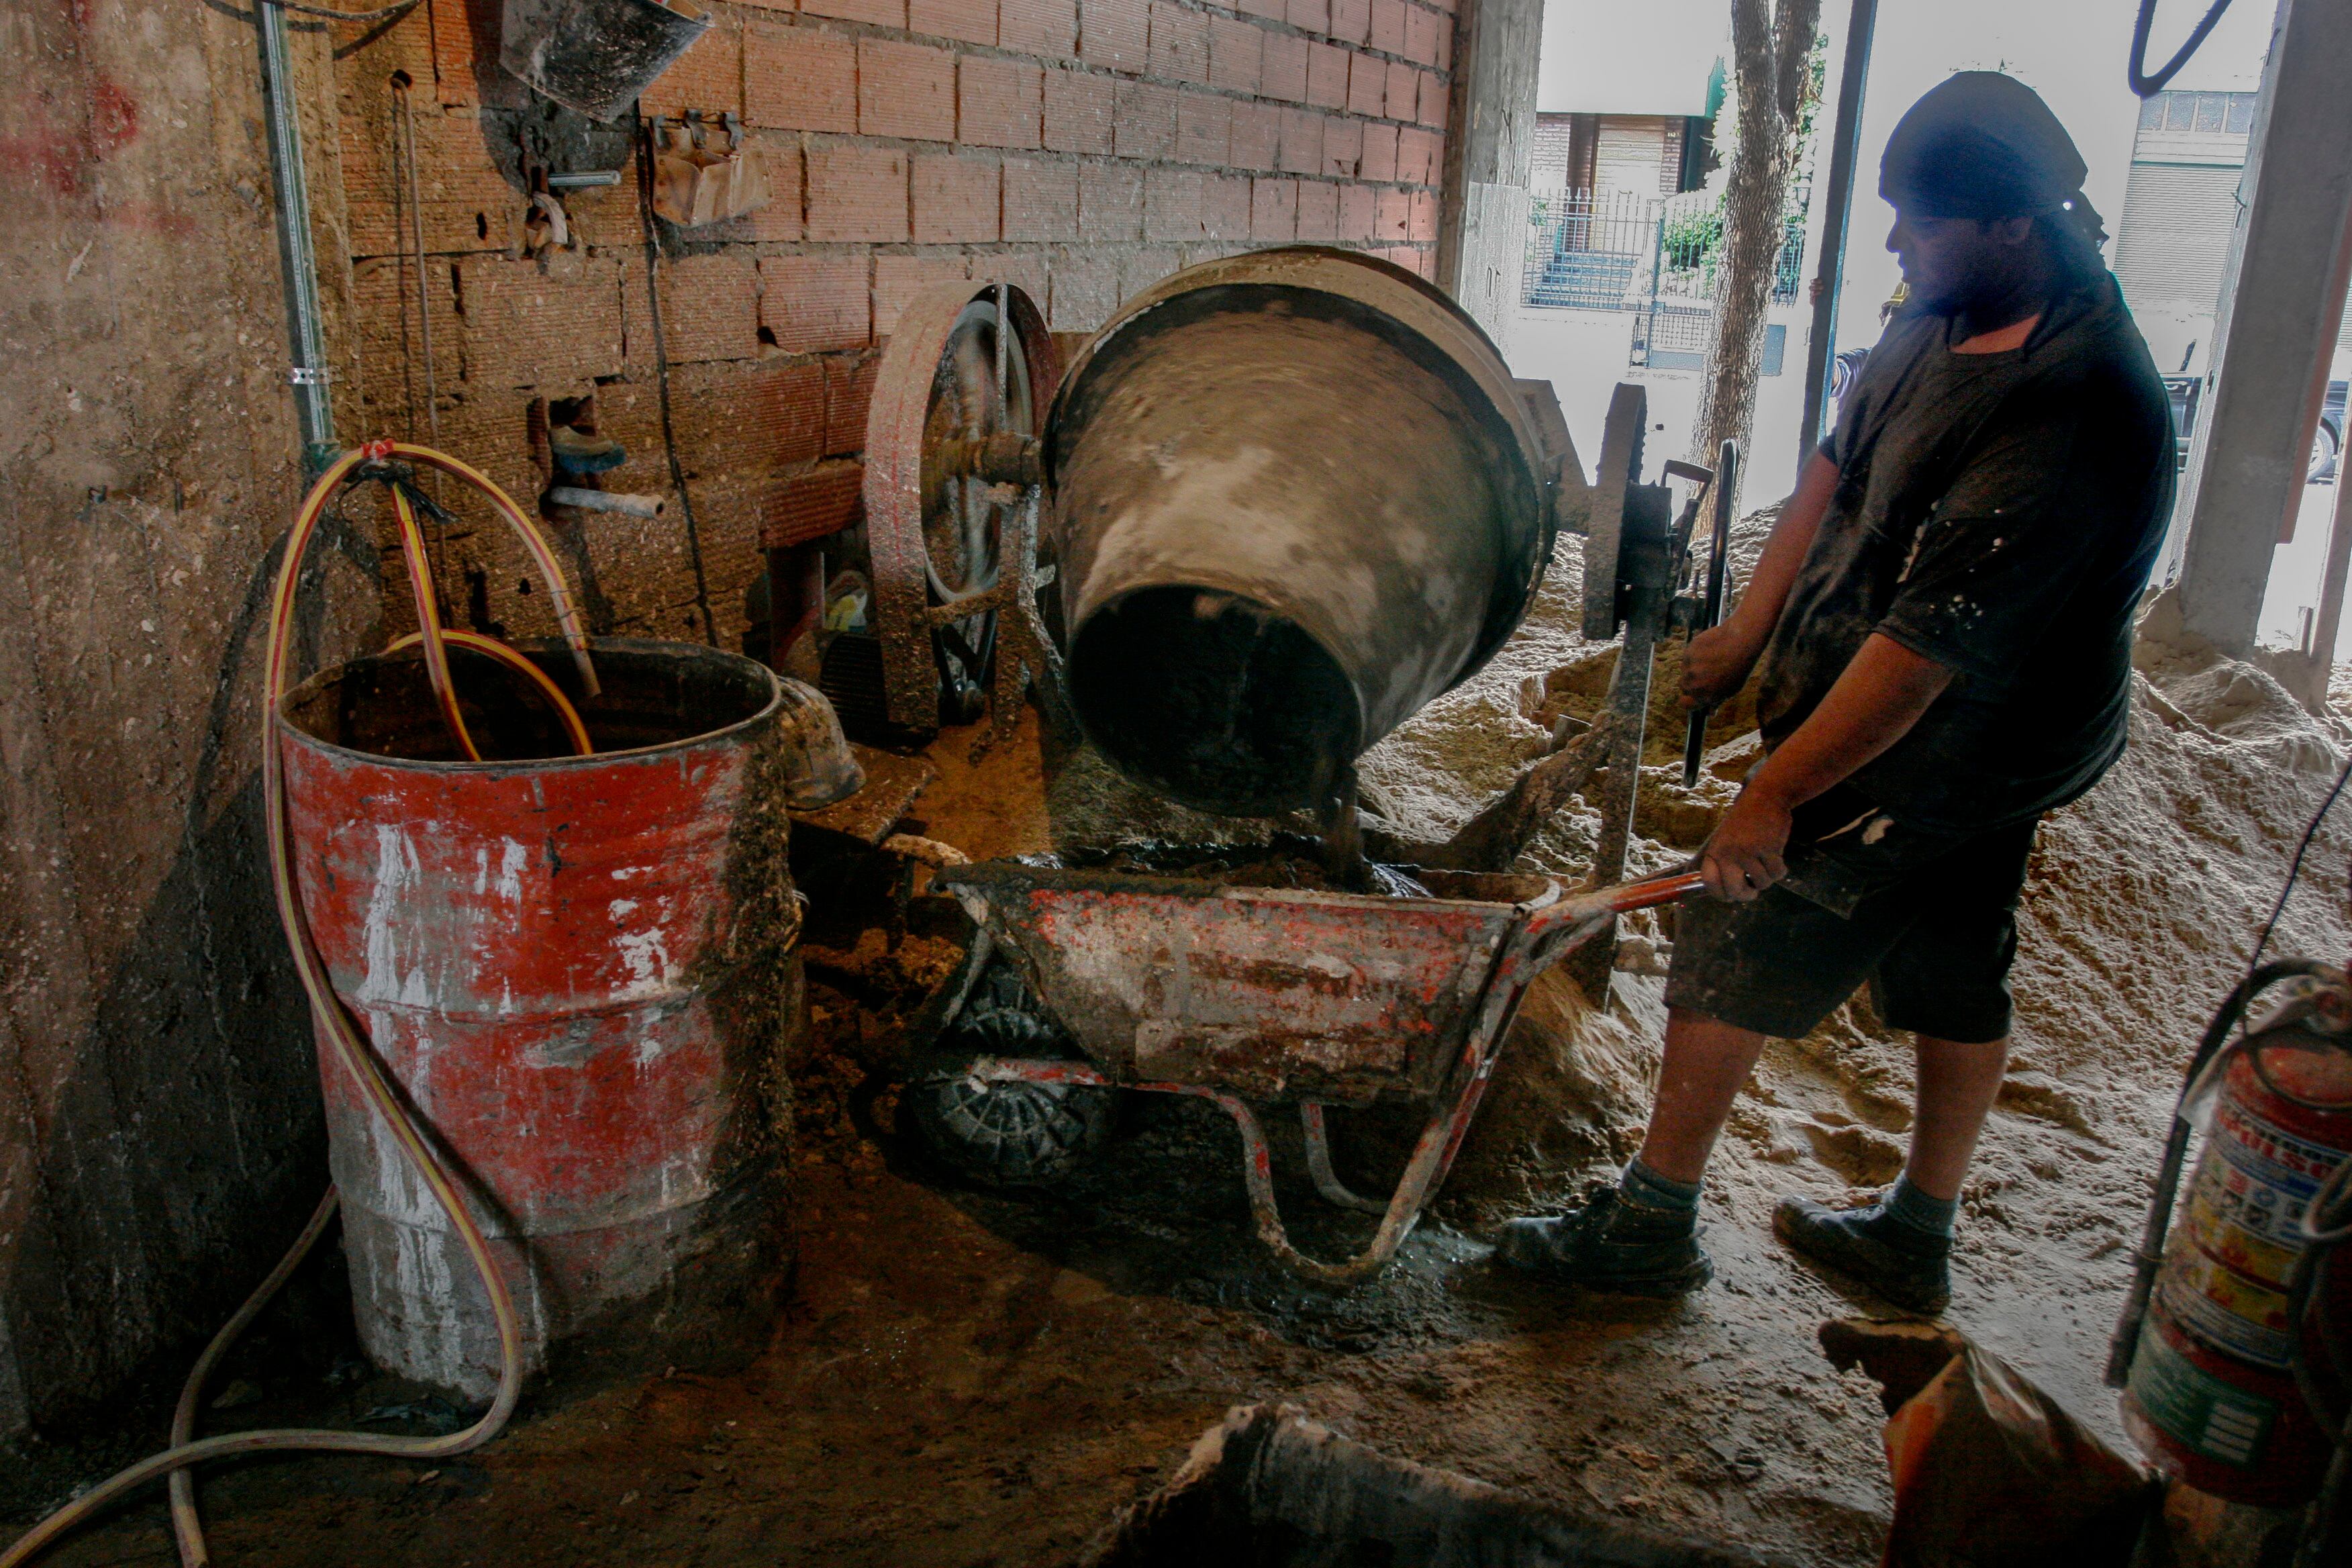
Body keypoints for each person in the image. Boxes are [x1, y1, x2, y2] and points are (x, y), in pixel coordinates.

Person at [1498, 72, 2175, 1314]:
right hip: (1920, 696)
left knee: (1739, 912)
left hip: (1968, 732)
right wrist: (1753, 631)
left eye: (1922, 221)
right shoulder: (1950, 308)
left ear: (2017, 223)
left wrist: (1774, 792)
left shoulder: (2077, 409)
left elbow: (1926, 660)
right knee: (1956, 949)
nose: (1896, 244)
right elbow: (1833, 461)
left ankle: (1651, 1227)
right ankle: (1915, 1234)